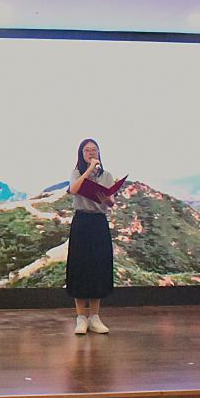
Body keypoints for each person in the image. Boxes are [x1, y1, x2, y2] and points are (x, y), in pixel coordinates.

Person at [66, 139, 115, 335]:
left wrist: (106, 198)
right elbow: (74, 189)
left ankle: (95, 316)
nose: (91, 152)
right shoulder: (76, 173)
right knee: (80, 267)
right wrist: (88, 171)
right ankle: (81, 317)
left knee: (98, 267)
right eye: (87, 150)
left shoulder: (107, 175)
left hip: (98, 222)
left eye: (94, 150)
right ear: (81, 153)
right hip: (81, 222)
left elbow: (111, 202)